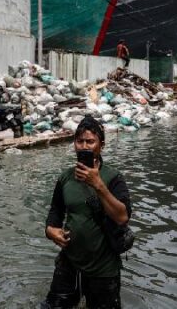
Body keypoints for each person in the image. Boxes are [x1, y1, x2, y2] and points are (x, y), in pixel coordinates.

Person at [43, 116, 132, 309]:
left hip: (103, 269)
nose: (84, 146)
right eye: (80, 141)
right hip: (69, 264)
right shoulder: (65, 178)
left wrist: (98, 184)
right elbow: (55, 212)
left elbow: (122, 217)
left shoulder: (113, 178)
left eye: (90, 141)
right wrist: (51, 231)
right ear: (74, 144)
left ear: (101, 145)